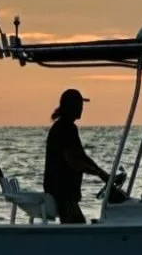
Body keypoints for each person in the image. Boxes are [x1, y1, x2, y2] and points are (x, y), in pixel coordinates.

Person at [42, 88, 111, 224]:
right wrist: (97, 172)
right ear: (71, 107)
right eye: (79, 105)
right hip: (62, 192)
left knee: (77, 223)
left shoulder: (68, 127)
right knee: (76, 224)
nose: (82, 109)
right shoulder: (64, 129)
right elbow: (72, 160)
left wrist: (101, 173)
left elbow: (82, 156)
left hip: (66, 193)